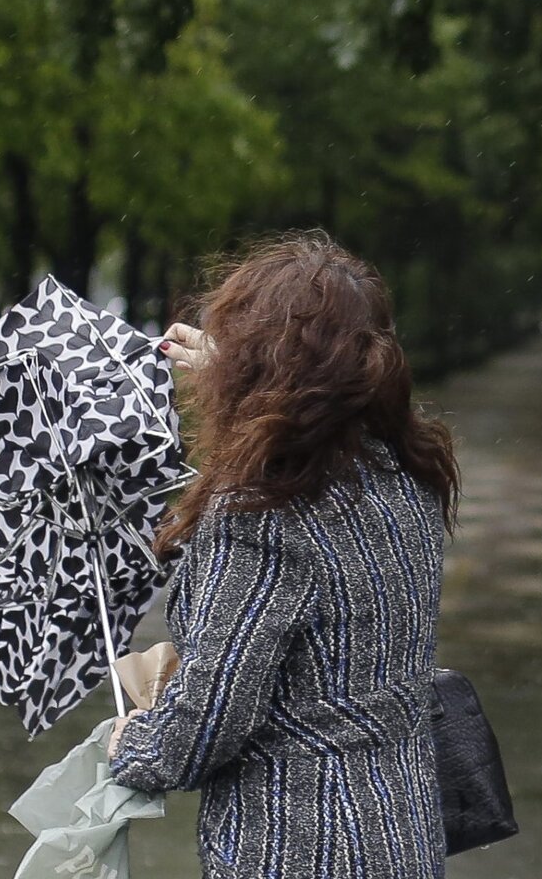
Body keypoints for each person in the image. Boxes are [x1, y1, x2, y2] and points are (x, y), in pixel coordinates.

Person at [107, 233, 460, 879]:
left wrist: (134, 745)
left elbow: (206, 725)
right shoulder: (406, 479)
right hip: (402, 836)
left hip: (298, 850)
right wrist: (249, 370)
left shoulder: (260, 517)